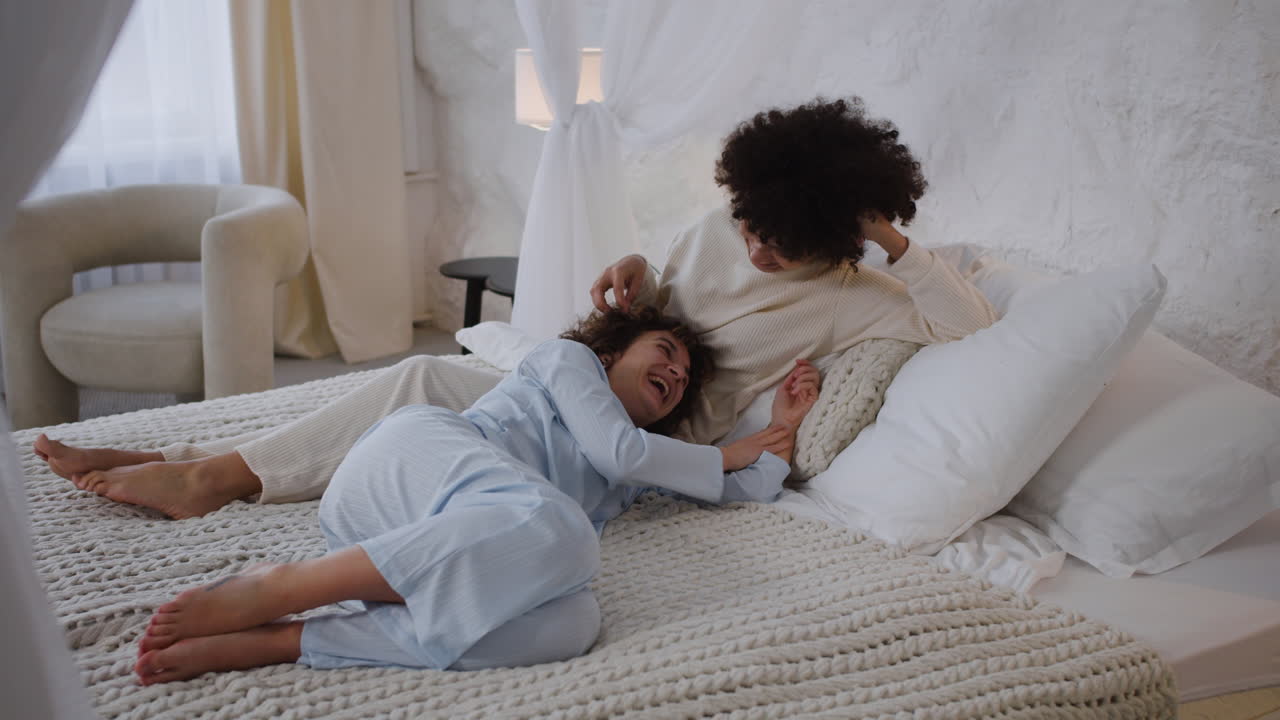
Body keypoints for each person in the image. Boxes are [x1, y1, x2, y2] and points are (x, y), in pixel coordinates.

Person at [35, 95, 996, 517]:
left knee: (422, 387)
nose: (755, 248)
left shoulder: (852, 297)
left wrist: (888, 236)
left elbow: (971, 325)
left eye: (781, 242)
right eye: (750, 222)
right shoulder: (720, 227)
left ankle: (209, 479)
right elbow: (672, 299)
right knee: (418, 377)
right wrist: (639, 269)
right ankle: (199, 461)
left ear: (835, 236)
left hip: (651, 428)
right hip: (596, 385)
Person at [131, 307, 820, 683]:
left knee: (573, 621)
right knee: (566, 532)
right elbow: (624, 450)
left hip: (422, 546)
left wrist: (781, 430)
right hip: (406, 466)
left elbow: (741, 489)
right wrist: (726, 450)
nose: (674, 372)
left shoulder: (641, 467)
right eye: (664, 350)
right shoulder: (567, 361)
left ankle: (289, 640)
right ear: (614, 349)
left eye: (683, 380)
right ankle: (288, 585)